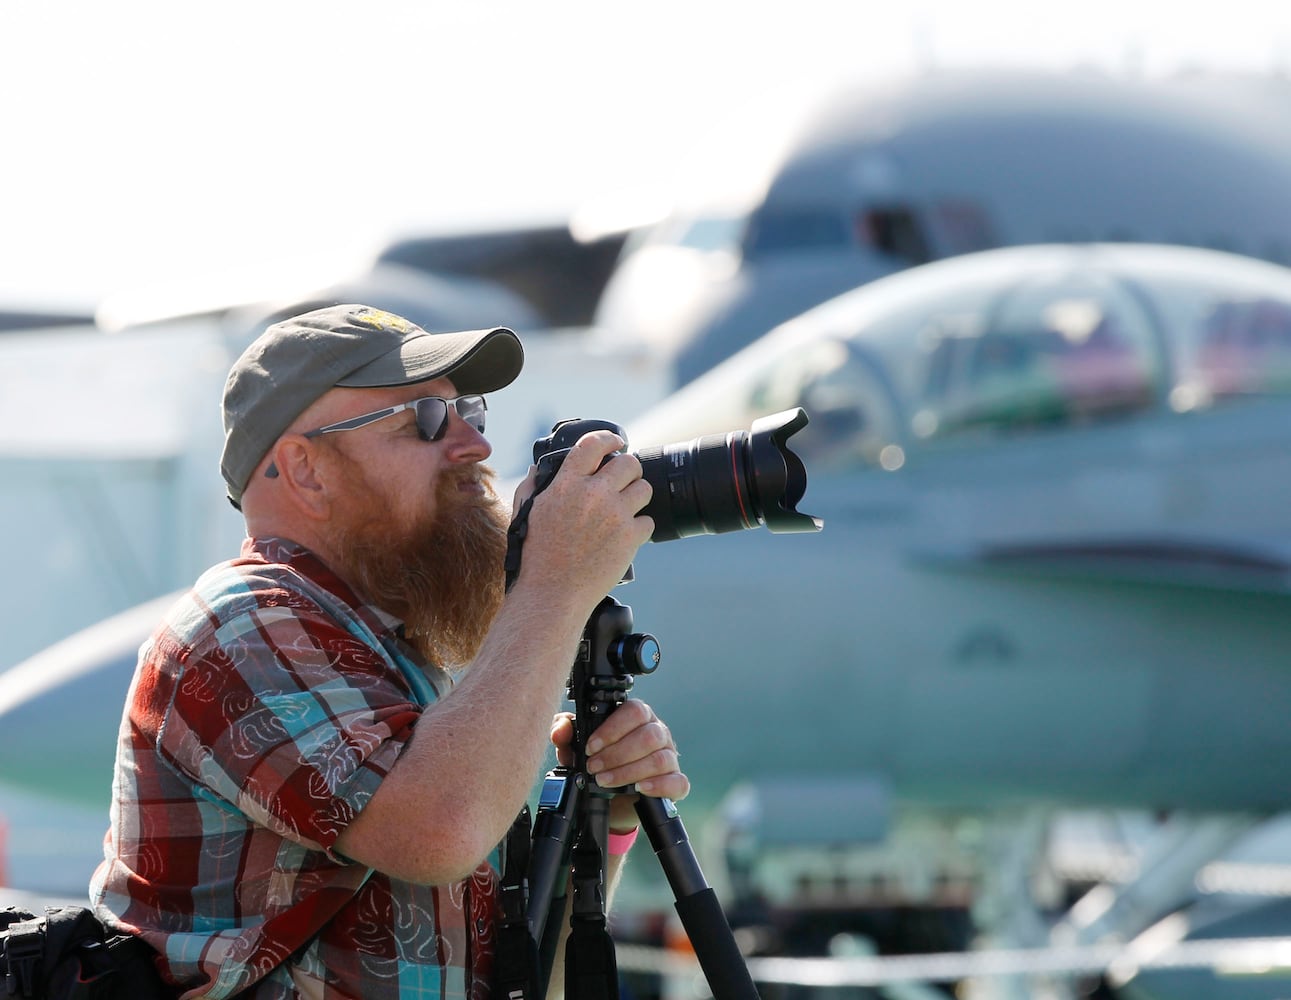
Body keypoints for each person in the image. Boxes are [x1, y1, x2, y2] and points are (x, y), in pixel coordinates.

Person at [89, 303, 689, 1000]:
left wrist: (606, 821)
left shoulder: (396, 665)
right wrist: (555, 584)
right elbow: (438, 832)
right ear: (307, 471)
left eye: (471, 413)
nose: (474, 445)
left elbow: (525, 984)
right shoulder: (242, 626)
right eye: (426, 421)